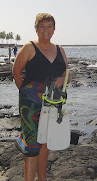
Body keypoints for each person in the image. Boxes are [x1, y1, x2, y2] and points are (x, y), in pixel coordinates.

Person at [12, 13, 70, 181]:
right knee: (32, 143)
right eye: (42, 26)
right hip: (31, 103)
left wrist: (62, 79)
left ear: (54, 29)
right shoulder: (29, 48)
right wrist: (27, 94)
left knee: (46, 141)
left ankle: (42, 178)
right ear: (36, 29)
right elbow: (16, 73)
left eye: (49, 26)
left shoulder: (60, 49)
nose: (46, 30)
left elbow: (67, 73)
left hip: (54, 101)